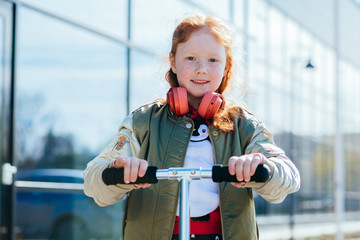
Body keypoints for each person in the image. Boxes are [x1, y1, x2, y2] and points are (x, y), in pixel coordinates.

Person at [84, 15, 300, 240]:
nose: (202, 69)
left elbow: (289, 178)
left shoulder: (244, 125)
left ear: (226, 67)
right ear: (173, 62)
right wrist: (118, 171)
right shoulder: (144, 121)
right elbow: (94, 182)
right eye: (191, 58)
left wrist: (261, 166)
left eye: (213, 60)